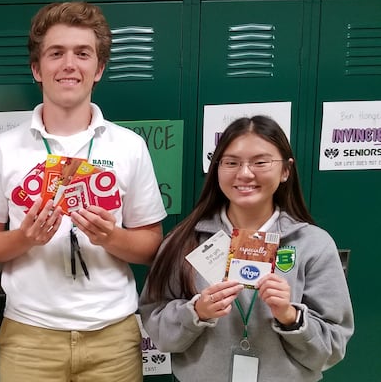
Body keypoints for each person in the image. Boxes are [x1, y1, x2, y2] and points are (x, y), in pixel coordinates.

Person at [0, 1, 167, 381]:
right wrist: (25, 238)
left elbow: (150, 245)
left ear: (99, 68)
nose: (69, 65)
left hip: (112, 335)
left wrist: (112, 237)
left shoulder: (128, 146)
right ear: (36, 69)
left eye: (82, 53)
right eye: (56, 53)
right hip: (30, 336)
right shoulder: (5, 149)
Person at [139, 115, 354, 381]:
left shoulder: (314, 245)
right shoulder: (184, 241)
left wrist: (290, 316)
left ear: (286, 170)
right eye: (231, 162)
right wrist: (196, 312)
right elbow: (156, 326)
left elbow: (332, 349)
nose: (244, 174)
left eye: (261, 162)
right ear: (217, 168)